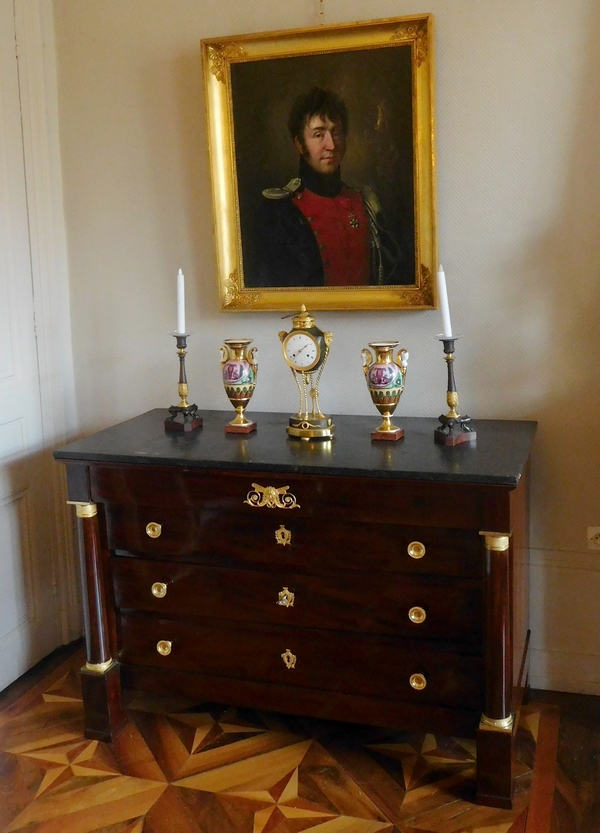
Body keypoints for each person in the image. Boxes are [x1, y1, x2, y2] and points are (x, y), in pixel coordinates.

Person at [247, 87, 403, 288]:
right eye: (319, 135)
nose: (331, 145)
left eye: (336, 133)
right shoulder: (279, 214)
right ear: (300, 144)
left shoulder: (366, 202)